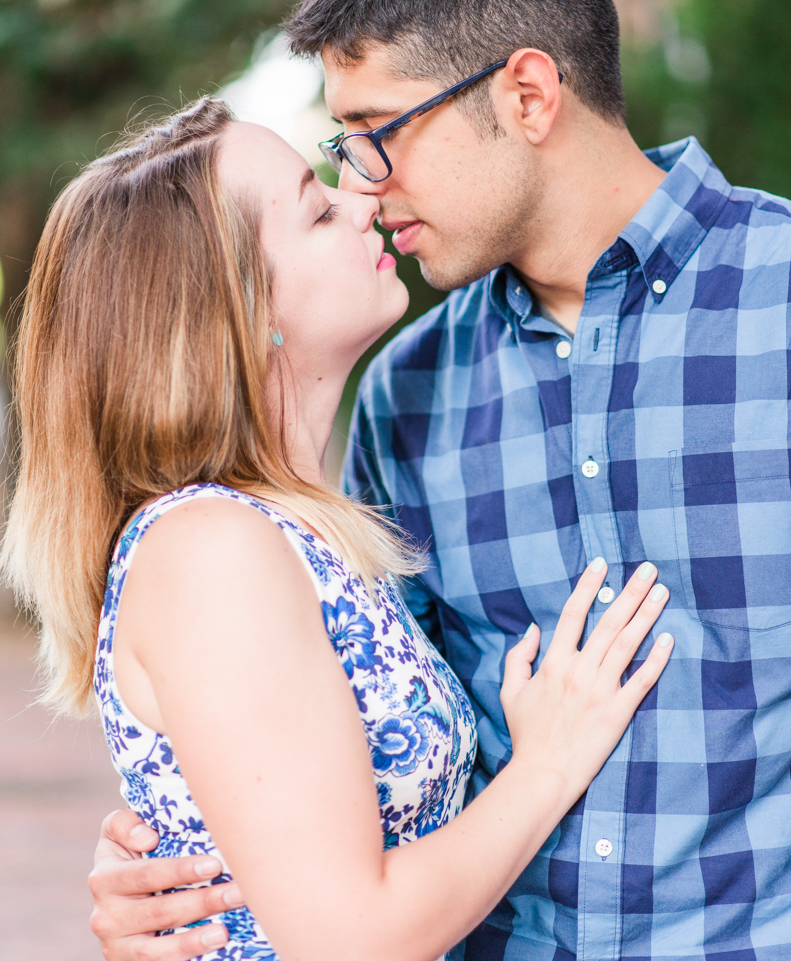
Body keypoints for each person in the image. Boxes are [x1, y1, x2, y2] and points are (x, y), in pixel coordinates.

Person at [88, 0, 791, 961]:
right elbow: (352, 758)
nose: (363, 188)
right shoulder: (404, 391)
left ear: (524, 93)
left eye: (378, 134)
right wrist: (178, 856)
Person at [1, 96, 673, 961]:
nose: (362, 197)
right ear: (243, 315)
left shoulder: (292, 530)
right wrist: (549, 760)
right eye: (318, 210)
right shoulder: (211, 550)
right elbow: (351, 938)